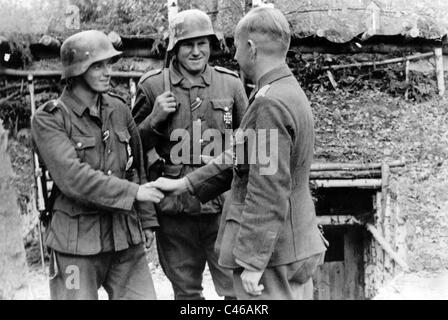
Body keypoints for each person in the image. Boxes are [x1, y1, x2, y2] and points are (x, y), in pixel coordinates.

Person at [152, 7, 328, 300]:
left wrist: (253, 261)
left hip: (274, 254)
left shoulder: (269, 104)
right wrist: (186, 184)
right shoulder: (286, 91)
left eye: (235, 47)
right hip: (294, 242)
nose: (234, 57)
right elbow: (243, 156)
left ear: (251, 48)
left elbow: (268, 186)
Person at [31, 30, 164, 300]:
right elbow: (73, 178)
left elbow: (135, 167)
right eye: (98, 66)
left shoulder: (119, 109)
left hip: (123, 235)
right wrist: (133, 194)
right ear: (77, 71)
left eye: (108, 64)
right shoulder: (50, 119)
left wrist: (147, 219)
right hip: (75, 243)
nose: (107, 72)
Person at [132, 9, 248, 300]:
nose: (196, 52)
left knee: (234, 291)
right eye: (187, 44)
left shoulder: (231, 83)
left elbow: (249, 144)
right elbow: (130, 148)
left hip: (221, 206)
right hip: (174, 210)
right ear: (174, 48)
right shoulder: (152, 85)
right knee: (185, 293)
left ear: (211, 45)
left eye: (202, 44)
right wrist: (154, 119)